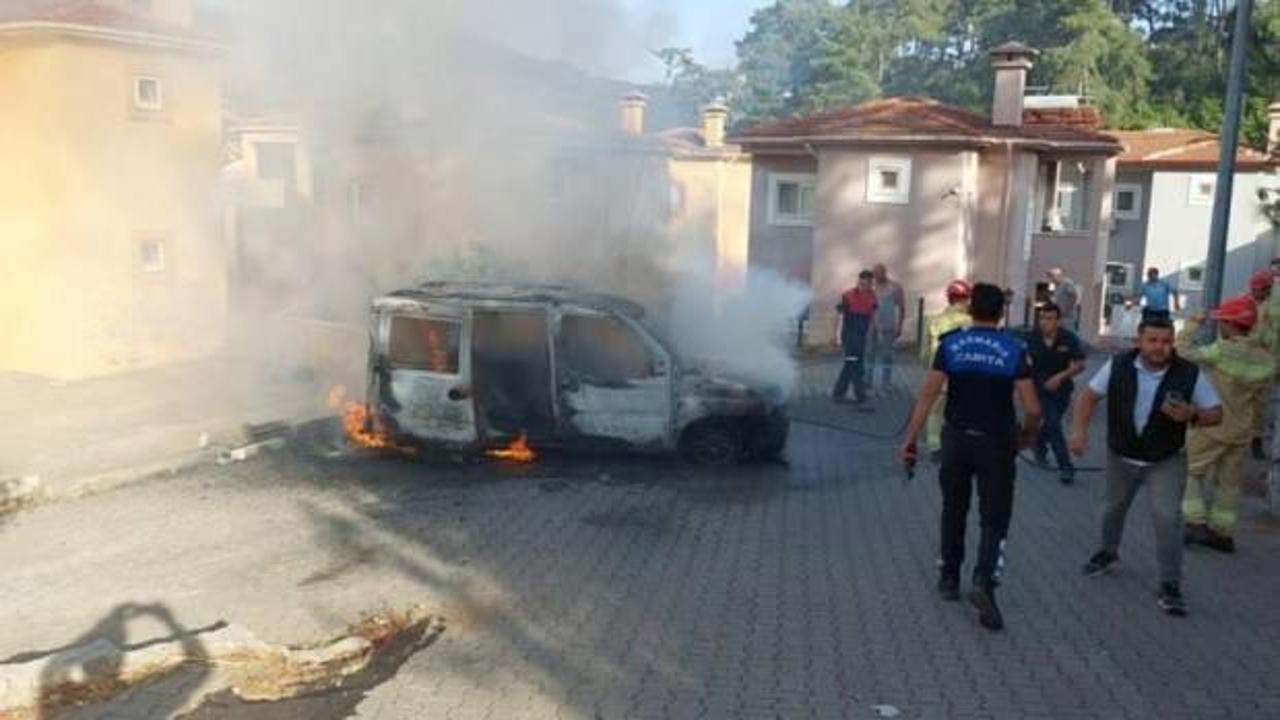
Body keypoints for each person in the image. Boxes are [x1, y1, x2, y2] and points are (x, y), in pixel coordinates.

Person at [900, 283, 1042, 632]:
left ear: (970, 309)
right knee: (994, 518)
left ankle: (949, 577)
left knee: (954, 508)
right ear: (1001, 313)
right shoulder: (1013, 350)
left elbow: (928, 396)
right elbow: (1034, 407)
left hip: (956, 440)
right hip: (996, 443)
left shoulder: (951, 345)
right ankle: (984, 581)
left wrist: (910, 441)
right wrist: (1027, 435)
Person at [1070, 316, 1223, 617]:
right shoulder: (1118, 365)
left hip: (1166, 458)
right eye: (1152, 341)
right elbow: (1088, 397)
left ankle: (1170, 584)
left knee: (1167, 518)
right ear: (1138, 341)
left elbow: (1216, 414)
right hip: (1122, 454)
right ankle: (1107, 552)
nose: (1160, 348)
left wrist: (1192, 414)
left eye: (1166, 342)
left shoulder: (1189, 374)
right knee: (1111, 509)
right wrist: (1079, 432)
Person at [1175, 297, 1273, 553]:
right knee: (1229, 483)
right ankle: (1223, 533)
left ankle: (1195, 524)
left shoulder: (1222, 350)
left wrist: (1192, 325)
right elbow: (1262, 399)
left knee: (1192, 471)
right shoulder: (1266, 359)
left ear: (1231, 324)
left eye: (1223, 322)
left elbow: (1183, 352)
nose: (1220, 327)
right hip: (1242, 429)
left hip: (1212, 424)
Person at [1024, 303, 1086, 484]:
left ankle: (1039, 446)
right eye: (1042, 318)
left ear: (1058, 321)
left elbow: (1080, 365)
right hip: (1039, 389)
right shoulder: (1031, 338)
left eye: (1049, 318)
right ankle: (1066, 466)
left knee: (1052, 424)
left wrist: (1060, 377)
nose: (1045, 322)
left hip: (1062, 390)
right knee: (1053, 424)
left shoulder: (1069, 339)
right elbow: (1022, 361)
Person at [918, 280, 973, 461]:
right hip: (963, 377)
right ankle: (960, 447)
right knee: (962, 412)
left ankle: (935, 447)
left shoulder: (932, 320)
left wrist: (929, 370)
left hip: (938, 376)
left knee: (935, 412)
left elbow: (924, 354)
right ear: (966, 299)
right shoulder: (971, 322)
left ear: (949, 298)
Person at [1247, 269, 1280, 460]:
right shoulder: (1247, 299)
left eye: (1257, 290)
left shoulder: (1275, 304)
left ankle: (1260, 440)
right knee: (1252, 402)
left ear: (1267, 288)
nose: (1254, 293)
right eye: (1252, 289)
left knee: (1264, 404)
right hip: (1253, 360)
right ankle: (1252, 439)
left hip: (1271, 359)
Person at [832, 270, 877, 404]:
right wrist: (834, 335)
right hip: (849, 335)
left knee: (852, 363)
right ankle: (860, 395)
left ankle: (839, 393)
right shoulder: (848, 296)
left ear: (871, 283)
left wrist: (874, 333)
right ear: (858, 281)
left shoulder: (872, 296)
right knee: (855, 363)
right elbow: (837, 316)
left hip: (862, 336)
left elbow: (873, 317)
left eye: (867, 284)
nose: (863, 287)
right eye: (861, 283)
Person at [868, 264, 906, 393]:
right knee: (869, 354)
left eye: (879, 273)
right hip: (871, 326)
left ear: (885, 272)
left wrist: (900, 326)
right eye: (874, 274)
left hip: (888, 326)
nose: (877, 276)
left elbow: (902, 308)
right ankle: (868, 380)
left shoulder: (895, 287)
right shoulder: (870, 288)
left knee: (887, 355)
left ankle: (886, 383)